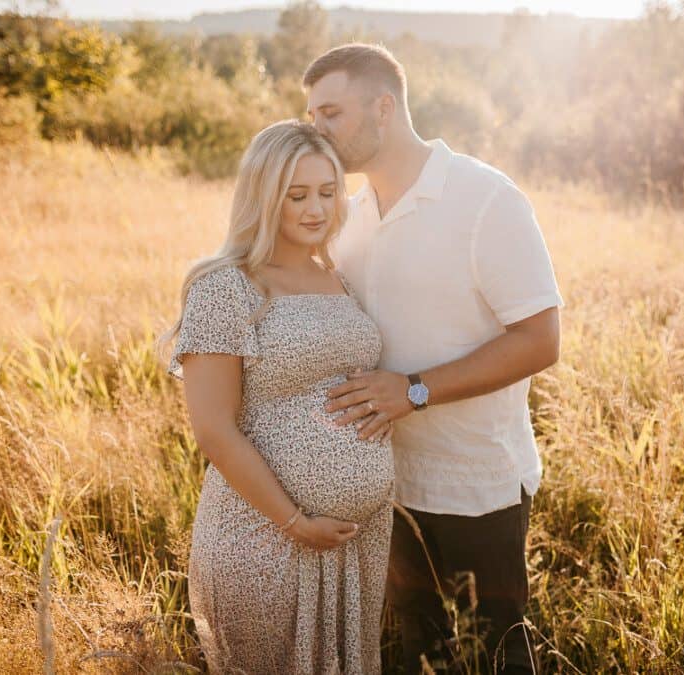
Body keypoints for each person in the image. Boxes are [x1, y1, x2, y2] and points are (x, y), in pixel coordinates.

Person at [303, 43, 565, 674]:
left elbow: (540, 339)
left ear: (383, 108)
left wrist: (414, 390)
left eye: (330, 112)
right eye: (312, 116)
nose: (317, 131)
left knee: (495, 652)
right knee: (424, 652)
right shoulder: (349, 217)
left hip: (476, 482)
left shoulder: (485, 200)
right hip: (384, 482)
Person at [161, 120, 395, 674]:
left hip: (352, 546)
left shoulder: (336, 277)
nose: (315, 209)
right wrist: (295, 521)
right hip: (264, 536)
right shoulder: (226, 286)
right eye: (296, 196)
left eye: (327, 191)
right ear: (264, 197)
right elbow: (214, 429)